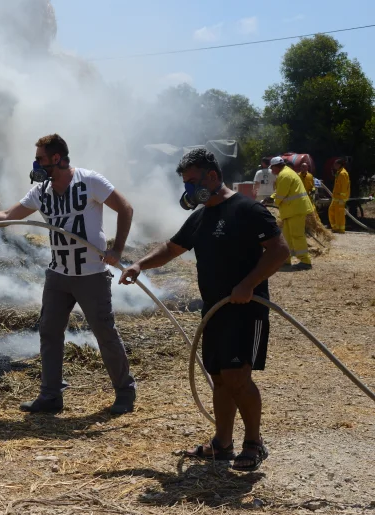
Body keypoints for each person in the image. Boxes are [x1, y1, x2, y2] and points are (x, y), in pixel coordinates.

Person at [120, 148, 290, 471]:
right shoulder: (200, 217)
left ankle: (254, 443)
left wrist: (248, 283)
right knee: (219, 378)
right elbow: (172, 248)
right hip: (214, 312)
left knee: (238, 377)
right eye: (185, 184)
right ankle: (222, 444)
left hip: (246, 310)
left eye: (192, 182)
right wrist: (140, 265)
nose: (188, 190)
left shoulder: (248, 210)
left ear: (212, 177)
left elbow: (279, 250)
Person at [0, 134, 137, 415]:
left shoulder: (90, 181)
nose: (36, 164)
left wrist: (117, 250)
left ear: (56, 159)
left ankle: (125, 392)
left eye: (41, 159)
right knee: (49, 331)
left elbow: (126, 208)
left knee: (104, 333)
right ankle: (51, 396)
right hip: (58, 275)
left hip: (91, 275)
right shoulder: (42, 192)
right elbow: (8, 215)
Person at [270, 157, 315, 271]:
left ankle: (305, 261)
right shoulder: (287, 172)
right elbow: (282, 192)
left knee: (297, 235)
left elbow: (280, 194)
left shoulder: (284, 175)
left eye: (272, 168)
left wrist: (273, 201)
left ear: (276, 166)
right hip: (292, 210)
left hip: (295, 210)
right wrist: (270, 197)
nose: (271, 170)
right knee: (286, 237)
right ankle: (286, 260)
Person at [329, 158, 350, 233]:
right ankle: (335, 227)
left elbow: (344, 187)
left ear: (339, 165)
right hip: (336, 197)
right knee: (332, 211)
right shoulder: (339, 172)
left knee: (339, 214)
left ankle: (340, 229)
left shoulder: (343, 173)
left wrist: (341, 198)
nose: (334, 165)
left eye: (335, 164)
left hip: (340, 198)